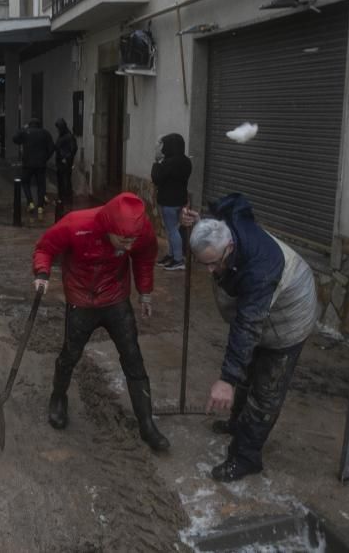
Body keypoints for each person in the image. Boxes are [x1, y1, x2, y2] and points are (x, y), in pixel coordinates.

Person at [182, 194, 317, 482]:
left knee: (266, 391)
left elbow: (246, 326)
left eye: (212, 263)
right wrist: (197, 222)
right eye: (202, 263)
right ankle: (236, 423)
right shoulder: (224, 223)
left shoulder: (258, 270)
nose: (208, 271)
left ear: (229, 247)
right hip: (265, 301)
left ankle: (245, 458)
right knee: (245, 370)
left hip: (290, 313)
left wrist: (226, 380)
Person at [32, 193, 170, 452]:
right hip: (81, 298)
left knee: (133, 358)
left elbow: (143, 257)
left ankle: (146, 424)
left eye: (132, 240)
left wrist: (145, 292)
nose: (128, 246)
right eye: (123, 240)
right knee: (70, 354)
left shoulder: (140, 232)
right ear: (109, 227)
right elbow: (45, 248)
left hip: (116, 297)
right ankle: (58, 397)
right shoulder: (76, 224)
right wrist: (42, 273)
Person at [151, 133, 192, 271]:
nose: (162, 148)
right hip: (180, 200)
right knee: (173, 230)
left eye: (164, 145)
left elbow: (157, 178)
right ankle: (171, 255)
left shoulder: (169, 163)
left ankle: (178, 259)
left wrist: (157, 161)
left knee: (172, 230)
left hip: (169, 201)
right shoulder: (186, 161)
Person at [12, 118, 56, 217]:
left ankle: (30, 202)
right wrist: (45, 158)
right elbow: (52, 147)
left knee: (25, 182)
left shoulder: (26, 132)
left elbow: (15, 139)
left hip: (28, 164)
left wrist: (22, 129)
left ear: (30, 124)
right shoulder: (45, 133)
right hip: (41, 164)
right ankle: (40, 206)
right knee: (41, 185)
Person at [54, 118, 77, 205]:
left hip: (65, 163)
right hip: (60, 163)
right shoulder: (61, 135)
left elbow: (73, 149)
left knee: (66, 180)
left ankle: (66, 199)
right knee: (61, 180)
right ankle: (61, 197)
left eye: (58, 128)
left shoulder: (69, 136)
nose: (57, 130)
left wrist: (66, 158)